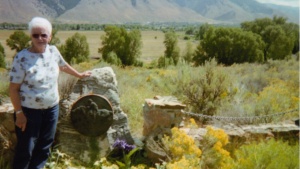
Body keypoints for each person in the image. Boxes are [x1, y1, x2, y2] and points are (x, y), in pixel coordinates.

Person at [9, 16, 91, 169]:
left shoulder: (53, 51)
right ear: (31, 37)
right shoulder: (22, 58)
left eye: (44, 35)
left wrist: (79, 75)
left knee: (44, 146)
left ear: (50, 36)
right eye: (35, 35)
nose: (40, 38)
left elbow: (63, 65)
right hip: (29, 112)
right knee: (26, 149)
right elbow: (13, 89)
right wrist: (19, 112)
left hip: (52, 108)